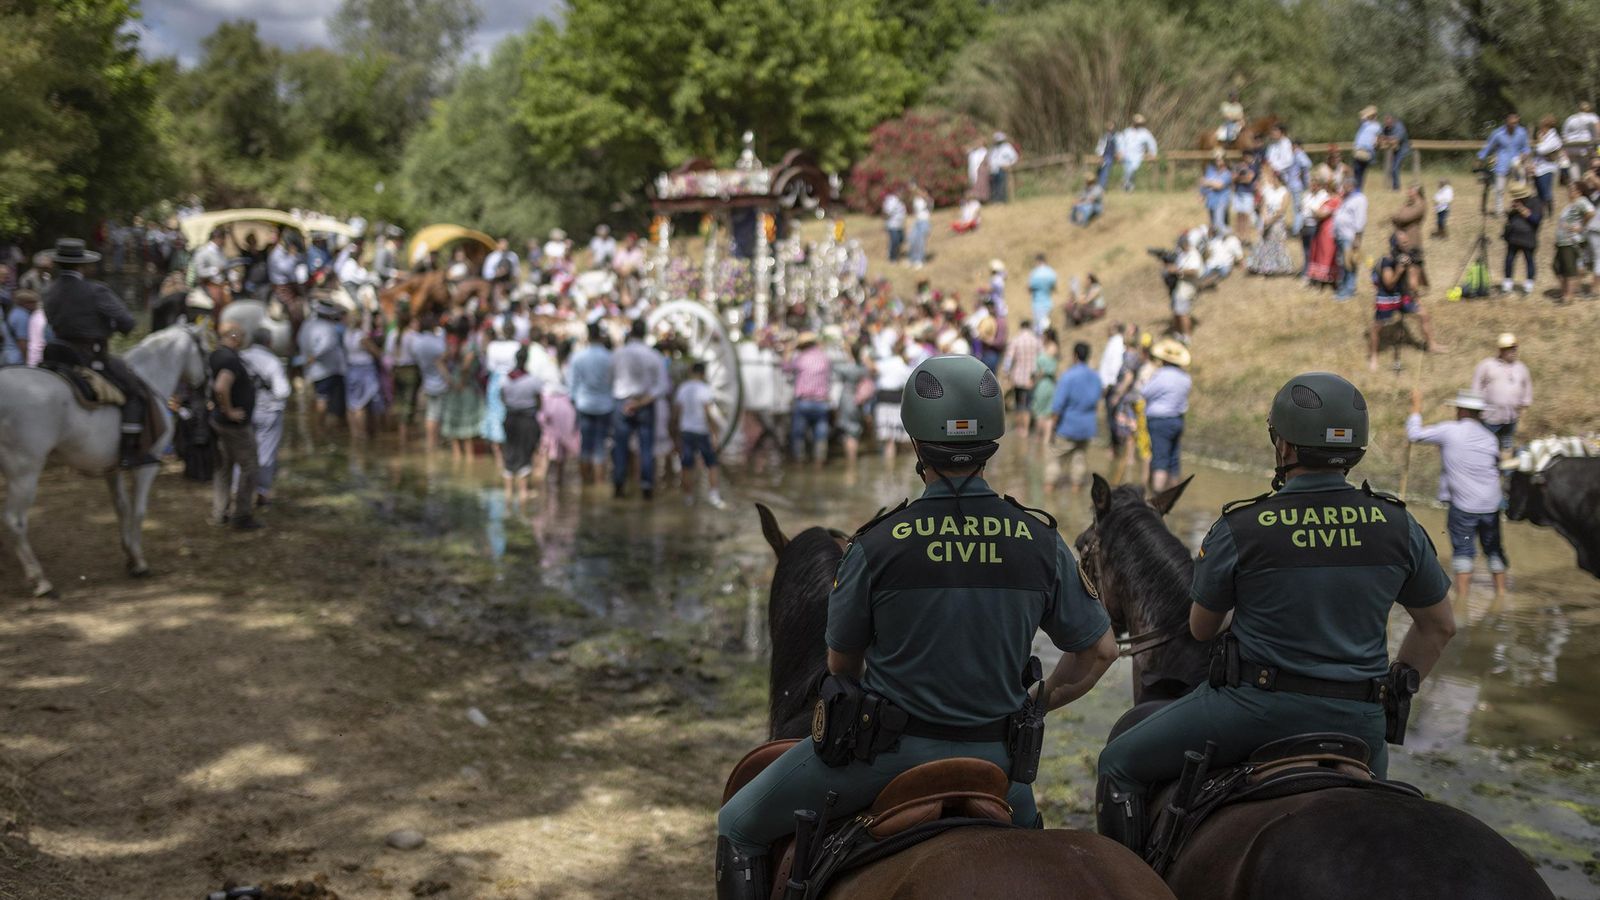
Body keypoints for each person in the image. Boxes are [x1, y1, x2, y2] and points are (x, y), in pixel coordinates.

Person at [716, 354, 1118, 898]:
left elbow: (841, 665)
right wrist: (1038, 702)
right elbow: (1100, 651)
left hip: (885, 759)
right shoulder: (1040, 540)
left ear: (914, 441)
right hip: (997, 767)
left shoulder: (876, 544)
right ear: (992, 442)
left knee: (738, 824)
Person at [1096, 372, 1455, 854]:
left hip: (1254, 711)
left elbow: (1201, 629)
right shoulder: (1398, 524)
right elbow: (1440, 626)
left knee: (1118, 763)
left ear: (1284, 447)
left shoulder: (1243, 524)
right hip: (1360, 727)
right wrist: (1393, 686)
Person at [39, 238, 149, 468]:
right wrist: (108, 327)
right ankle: (129, 451)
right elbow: (127, 323)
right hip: (91, 356)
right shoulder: (95, 290)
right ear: (82, 265)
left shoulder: (48, 291)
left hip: (56, 355)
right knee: (135, 390)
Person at [1407, 389, 1507, 601]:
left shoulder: (1450, 431)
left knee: (1463, 550)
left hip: (1464, 506)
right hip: (1491, 504)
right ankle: (1501, 593)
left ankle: (1462, 600)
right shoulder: (1490, 438)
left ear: (1461, 411)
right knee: (1494, 548)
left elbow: (1414, 435)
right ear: (1479, 414)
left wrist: (1416, 408)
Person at [209, 324, 261, 530]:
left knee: (223, 467)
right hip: (235, 426)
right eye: (242, 337)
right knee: (250, 467)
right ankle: (241, 515)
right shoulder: (230, 360)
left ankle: (219, 512)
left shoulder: (216, 355)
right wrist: (229, 410)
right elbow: (221, 386)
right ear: (235, 337)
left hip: (220, 423)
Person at [611, 318, 669, 499]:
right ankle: (646, 487)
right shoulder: (653, 356)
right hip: (645, 403)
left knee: (620, 447)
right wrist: (642, 402)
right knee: (646, 447)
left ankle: (619, 486)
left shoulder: (618, 354)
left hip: (622, 402)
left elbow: (610, 379)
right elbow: (662, 386)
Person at [1368, 230, 1442, 371]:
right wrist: (1399, 270)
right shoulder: (1387, 261)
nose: (1407, 245)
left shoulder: (1407, 258)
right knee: (1376, 327)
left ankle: (1431, 345)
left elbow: (1413, 284)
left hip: (1403, 295)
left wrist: (1414, 270)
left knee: (1424, 314)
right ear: (1395, 244)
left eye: (1407, 242)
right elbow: (1389, 284)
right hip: (1387, 297)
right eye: (1404, 242)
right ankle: (1374, 357)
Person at [241, 326, 289, 508]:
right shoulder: (272, 362)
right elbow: (282, 391)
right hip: (269, 412)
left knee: (243, 453)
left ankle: (239, 491)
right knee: (265, 454)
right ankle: (261, 493)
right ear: (269, 342)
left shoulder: (242, 357)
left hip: (244, 412)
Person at [1048, 342, 1102, 491]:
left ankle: (1049, 491)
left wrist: (1052, 427)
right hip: (1087, 427)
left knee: (1055, 460)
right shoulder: (1096, 377)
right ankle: (1076, 489)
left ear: (1075, 355)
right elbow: (1097, 401)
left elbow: (1058, 406)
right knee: (1079, 460)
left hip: (1067, 426)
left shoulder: (1068, 376)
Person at [673, 362, 725, 508]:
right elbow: (708, 412)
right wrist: (715, 433)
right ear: (703, 374)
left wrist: (674, 433)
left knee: (686, 465)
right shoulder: (704, 389)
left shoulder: (683, 388)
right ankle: (714, 495)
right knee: (712, 464)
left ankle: (688, 497)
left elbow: (676, 413)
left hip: (686, 431)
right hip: (701, 431)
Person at [1141, 339, 1190, 492]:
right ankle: (1174, 496)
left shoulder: (1161, 375)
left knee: (1160, 459)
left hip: (1159, 421)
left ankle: (1157, 497)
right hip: (1177, 420)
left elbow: (1145, 392)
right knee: (1174, 460)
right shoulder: (1185, 378)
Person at [569, 322, 615, 484]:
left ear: (588, 336)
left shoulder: (578, 357)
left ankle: (585, 484)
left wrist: (574, 402)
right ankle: (599, 483)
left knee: (585, 446)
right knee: (600, 446)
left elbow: (572, 386)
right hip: (605, 406)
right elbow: (613, 383)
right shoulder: (609, 357)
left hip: (584, 405)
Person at [1471, 333, 1533, 453]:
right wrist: (1475, 410)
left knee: (1507, 445)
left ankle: (1506, 470)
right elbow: (1476, 387)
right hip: (1490, 417)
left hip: (1511, 417)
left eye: (1514, 348)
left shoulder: (1521, 368)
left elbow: (1527, 388)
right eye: (1509, 349)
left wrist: (1524, 409)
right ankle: (1486, 468)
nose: (1513, 352)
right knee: (1486, 446)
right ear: (1501, 350)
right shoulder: (1487, 365)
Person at [500, 346, 544, 505]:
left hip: (510, 418)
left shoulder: (505, 378)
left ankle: (508, 492)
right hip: (527, 420)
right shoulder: (532, 380)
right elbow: (540, 403)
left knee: (510, 451)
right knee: (525, 453)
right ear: (526, 361)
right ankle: (524, 492)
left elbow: (502, 397)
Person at [784, 331, 833, 467]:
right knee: (821, 435)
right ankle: (819, 463)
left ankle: (799, 462)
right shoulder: (825, 358)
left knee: (798, 435)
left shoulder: (800, 358)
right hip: (821, 402)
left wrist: (788, 352)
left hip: (804, 402)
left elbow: (786, 368)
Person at [299, 300, 348, 432]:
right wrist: (314, 355)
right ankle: (324, 429)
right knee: (328, 402)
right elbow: (326, 345)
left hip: (313, 370)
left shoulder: (306, 325)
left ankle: (317, 428)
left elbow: (300, 341)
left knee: (320, 398)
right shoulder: (327, 327)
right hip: (329, 371)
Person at [1477, 112, 1530, 216]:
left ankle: (1520, 209)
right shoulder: (1497, 133)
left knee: (1520, 188)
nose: (1514, 125)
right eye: (1512, 123)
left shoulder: (1522, 132)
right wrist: (1480, 158)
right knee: (1499, 189)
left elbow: (1526, 147)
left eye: (1516, 123)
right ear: (1507, 122)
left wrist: (1525, 155)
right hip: (1502, 164)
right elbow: (1488, 147)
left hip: (1517, 164)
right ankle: (1499, 211)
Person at [343, 310, 384, 440]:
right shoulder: (362, 337)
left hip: (351, 368)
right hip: (364, 370)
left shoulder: (347, 334)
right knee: (361, 404)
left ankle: (354, 434)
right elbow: (375, 352)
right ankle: (362, 434)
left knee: (352, 404)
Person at [1247, 167, 1295, 276]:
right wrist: (1264, 218)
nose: (1273, 180)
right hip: (1266, 219)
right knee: (1263, 243)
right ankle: (1264, 266)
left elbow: (1282, 210)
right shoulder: (1268, 191)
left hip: (1277, 221)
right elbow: (1263, 205)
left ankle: (1281, 267)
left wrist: (1271, 220)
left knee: (1277, 244)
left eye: (1275, 178)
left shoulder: (1285, 192)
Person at [411, 313, 449, 452]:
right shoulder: (436, 342)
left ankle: (430, 442)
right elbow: (443, 357)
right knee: (436, 414)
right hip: (439, 381)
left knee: (431, 413)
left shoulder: (417, 342)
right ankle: (435, 443)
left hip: (426, 379)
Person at [1553, 179, 1595, 303]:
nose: (1569, 192)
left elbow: (1591, 212)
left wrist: (1581, 225)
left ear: (1579, 191)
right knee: (1557, 267)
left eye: (1572, 189)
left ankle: (1568, 296)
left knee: (1569, 269)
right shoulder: (1571, 204)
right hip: (1562, 241)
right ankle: (1565, 291)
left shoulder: (1581, 201)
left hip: (1570, 241)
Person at [1501, 181, 1543, 295]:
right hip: (1513, 237)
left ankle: (1528, 285)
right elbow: (1510, 218)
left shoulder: (1536, 202)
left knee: (1529, 260)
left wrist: (1521, 209)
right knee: (1509, 260)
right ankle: (1507, 284)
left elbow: (1536, 220)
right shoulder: (1516, 202)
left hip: (1528, 237)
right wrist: (1511, 210)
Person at [1000, 321, 1042, 433]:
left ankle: (1019, 428)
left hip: (1018, 376)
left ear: (1021, 327)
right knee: (1028, 404)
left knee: (1018, 403)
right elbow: (1041, 358)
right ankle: (1026, 429)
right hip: (1031, 377)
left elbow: (1009, 359)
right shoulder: (1036, 341)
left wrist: (1006, 372)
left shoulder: (1016, 340)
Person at [1332, 177, 1368, 300]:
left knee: (1350, 263)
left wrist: (1357, 238)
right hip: (1341, 235)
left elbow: (1360, 220)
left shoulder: (1360, 199)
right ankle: (1343, 286)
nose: (1343, 188)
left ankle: (1349, 289)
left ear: (1351, 186)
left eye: (1345, 186)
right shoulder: (1348, 198)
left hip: (1350, 236)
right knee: (1343, 262)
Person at [1169, 235, 1203, 337]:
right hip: (1181, 285)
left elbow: (1194, 271)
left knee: (1183, 312)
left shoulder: (1193, 255)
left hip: (1189, 286)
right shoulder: (1182, 254)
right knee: (1177, 311)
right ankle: (1178, 333)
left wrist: (1178, 271)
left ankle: (1186, 336)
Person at [1119, 115, 1158, 192]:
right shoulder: (1127, 132)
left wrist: (1152, 153)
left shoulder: (1145, 133)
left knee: (1131, 170)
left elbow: (1152, 143)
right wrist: (1120, 152)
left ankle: (1126, 184)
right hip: (1126, 155)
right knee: (1128, 170)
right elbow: (1121, 143)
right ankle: (1129, 188)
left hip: (1138, 156)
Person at [1530, 116, 1563, 208]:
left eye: (1541, 126)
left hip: (1547, 169)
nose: (1540, 128)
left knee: (1546, 193)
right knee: (1539, 192)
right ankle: (1541, 213)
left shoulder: (1554, 138)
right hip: (1538, 168)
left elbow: (1541, 150)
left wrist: (1538, 140)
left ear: (1546, 127)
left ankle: (1549, 214)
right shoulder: (1545, 137)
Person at [1561, 101, 1599, 175]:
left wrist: (1565, 152)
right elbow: (1598, 132)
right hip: (1587, 151)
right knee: (1588, 175)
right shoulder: (1592, 116)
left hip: (1571, 151)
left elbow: (1564, 136)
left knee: (1576, 177)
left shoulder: (1570, 118)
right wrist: (1598, 150)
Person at [1200, 151, 1233, 232]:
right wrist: (1202, 194)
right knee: (1213, 224)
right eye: (1216, 159)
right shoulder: (1210, 170)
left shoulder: (1227, 173)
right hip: (1211, 201)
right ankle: (1216, 241)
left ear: (1224, 160)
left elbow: (1219, 186)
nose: (1218, 161)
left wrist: (1208, 182)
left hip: (1221, 201)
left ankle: (1229, 238)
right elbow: (1202, 182)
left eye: (1220, 159)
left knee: (1219, 223)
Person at [1351, 106, 1382, 191]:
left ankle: (1356, 191)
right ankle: (1358, 190)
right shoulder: (1377, 126)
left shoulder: (1365, 125)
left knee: (1357, 173)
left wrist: (1368, 113)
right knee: (1361, 174)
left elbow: (1362, 116)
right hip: (1367, 153)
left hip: (1359, 151)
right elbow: (1378, 141)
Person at [1380, 114, 1411, 191]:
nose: (1387, 124)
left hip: (1403, 150)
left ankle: (1396, 188)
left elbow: (1396, 139)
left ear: (1392, 121)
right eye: (1385, 122)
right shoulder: (1387, 127)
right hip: (1396, 150)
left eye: (1388, 122)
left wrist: (1386, 138)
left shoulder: (1399, 127)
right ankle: (1395, 187)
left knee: (1395, 168)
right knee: (1393, 168)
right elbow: (1380, 136)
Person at [1027, 254, 1056, 333]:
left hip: (1038, 304)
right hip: (1048, 303)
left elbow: (1029, 289)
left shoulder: (1034, 273)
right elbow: (1053, 288)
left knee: (1039, 329)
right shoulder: (1051, 272)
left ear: (1038, 261)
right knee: (1047, 326)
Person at [988, 132, 1020, 202]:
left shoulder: (1007, 147)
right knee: (994, 185)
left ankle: (1001, 200)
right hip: (993, 170)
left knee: (1001, 185)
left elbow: (1015, 158)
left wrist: (1009, 165)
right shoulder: (993, 149)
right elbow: (990, 159)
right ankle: (995, 200)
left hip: (1003, 169)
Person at [907, 184, 932, 269]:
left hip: (924, 222)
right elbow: (914, 212)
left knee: (921, 241)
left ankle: (920, 260)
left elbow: (929, 204)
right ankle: (912, 259)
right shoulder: (916, 200)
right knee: (912, 240)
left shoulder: (928, 200)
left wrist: (924, 195)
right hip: (916, 222)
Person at [882, 189, 907, 263]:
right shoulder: (892, 201)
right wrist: (885, 223)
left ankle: (895, 253)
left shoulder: (901, 203)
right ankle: (892, 258)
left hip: (900, 225)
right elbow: (887, 212)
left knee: (901, 240)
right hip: (892, 225)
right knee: (895, 241)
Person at [1095, 121, 1120, 191]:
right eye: (1109, 126)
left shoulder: (1117, 136)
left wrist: (1118, 153)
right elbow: (1100, 147)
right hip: (1105, 156)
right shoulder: (1104, 136)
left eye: (1111, 126)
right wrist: (1100, 156)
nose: (1110, 128)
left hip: (1111, 156)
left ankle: (1101, 187)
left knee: (1105, 171)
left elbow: (1120, 147)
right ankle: (1099, 187)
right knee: (1100, 172)